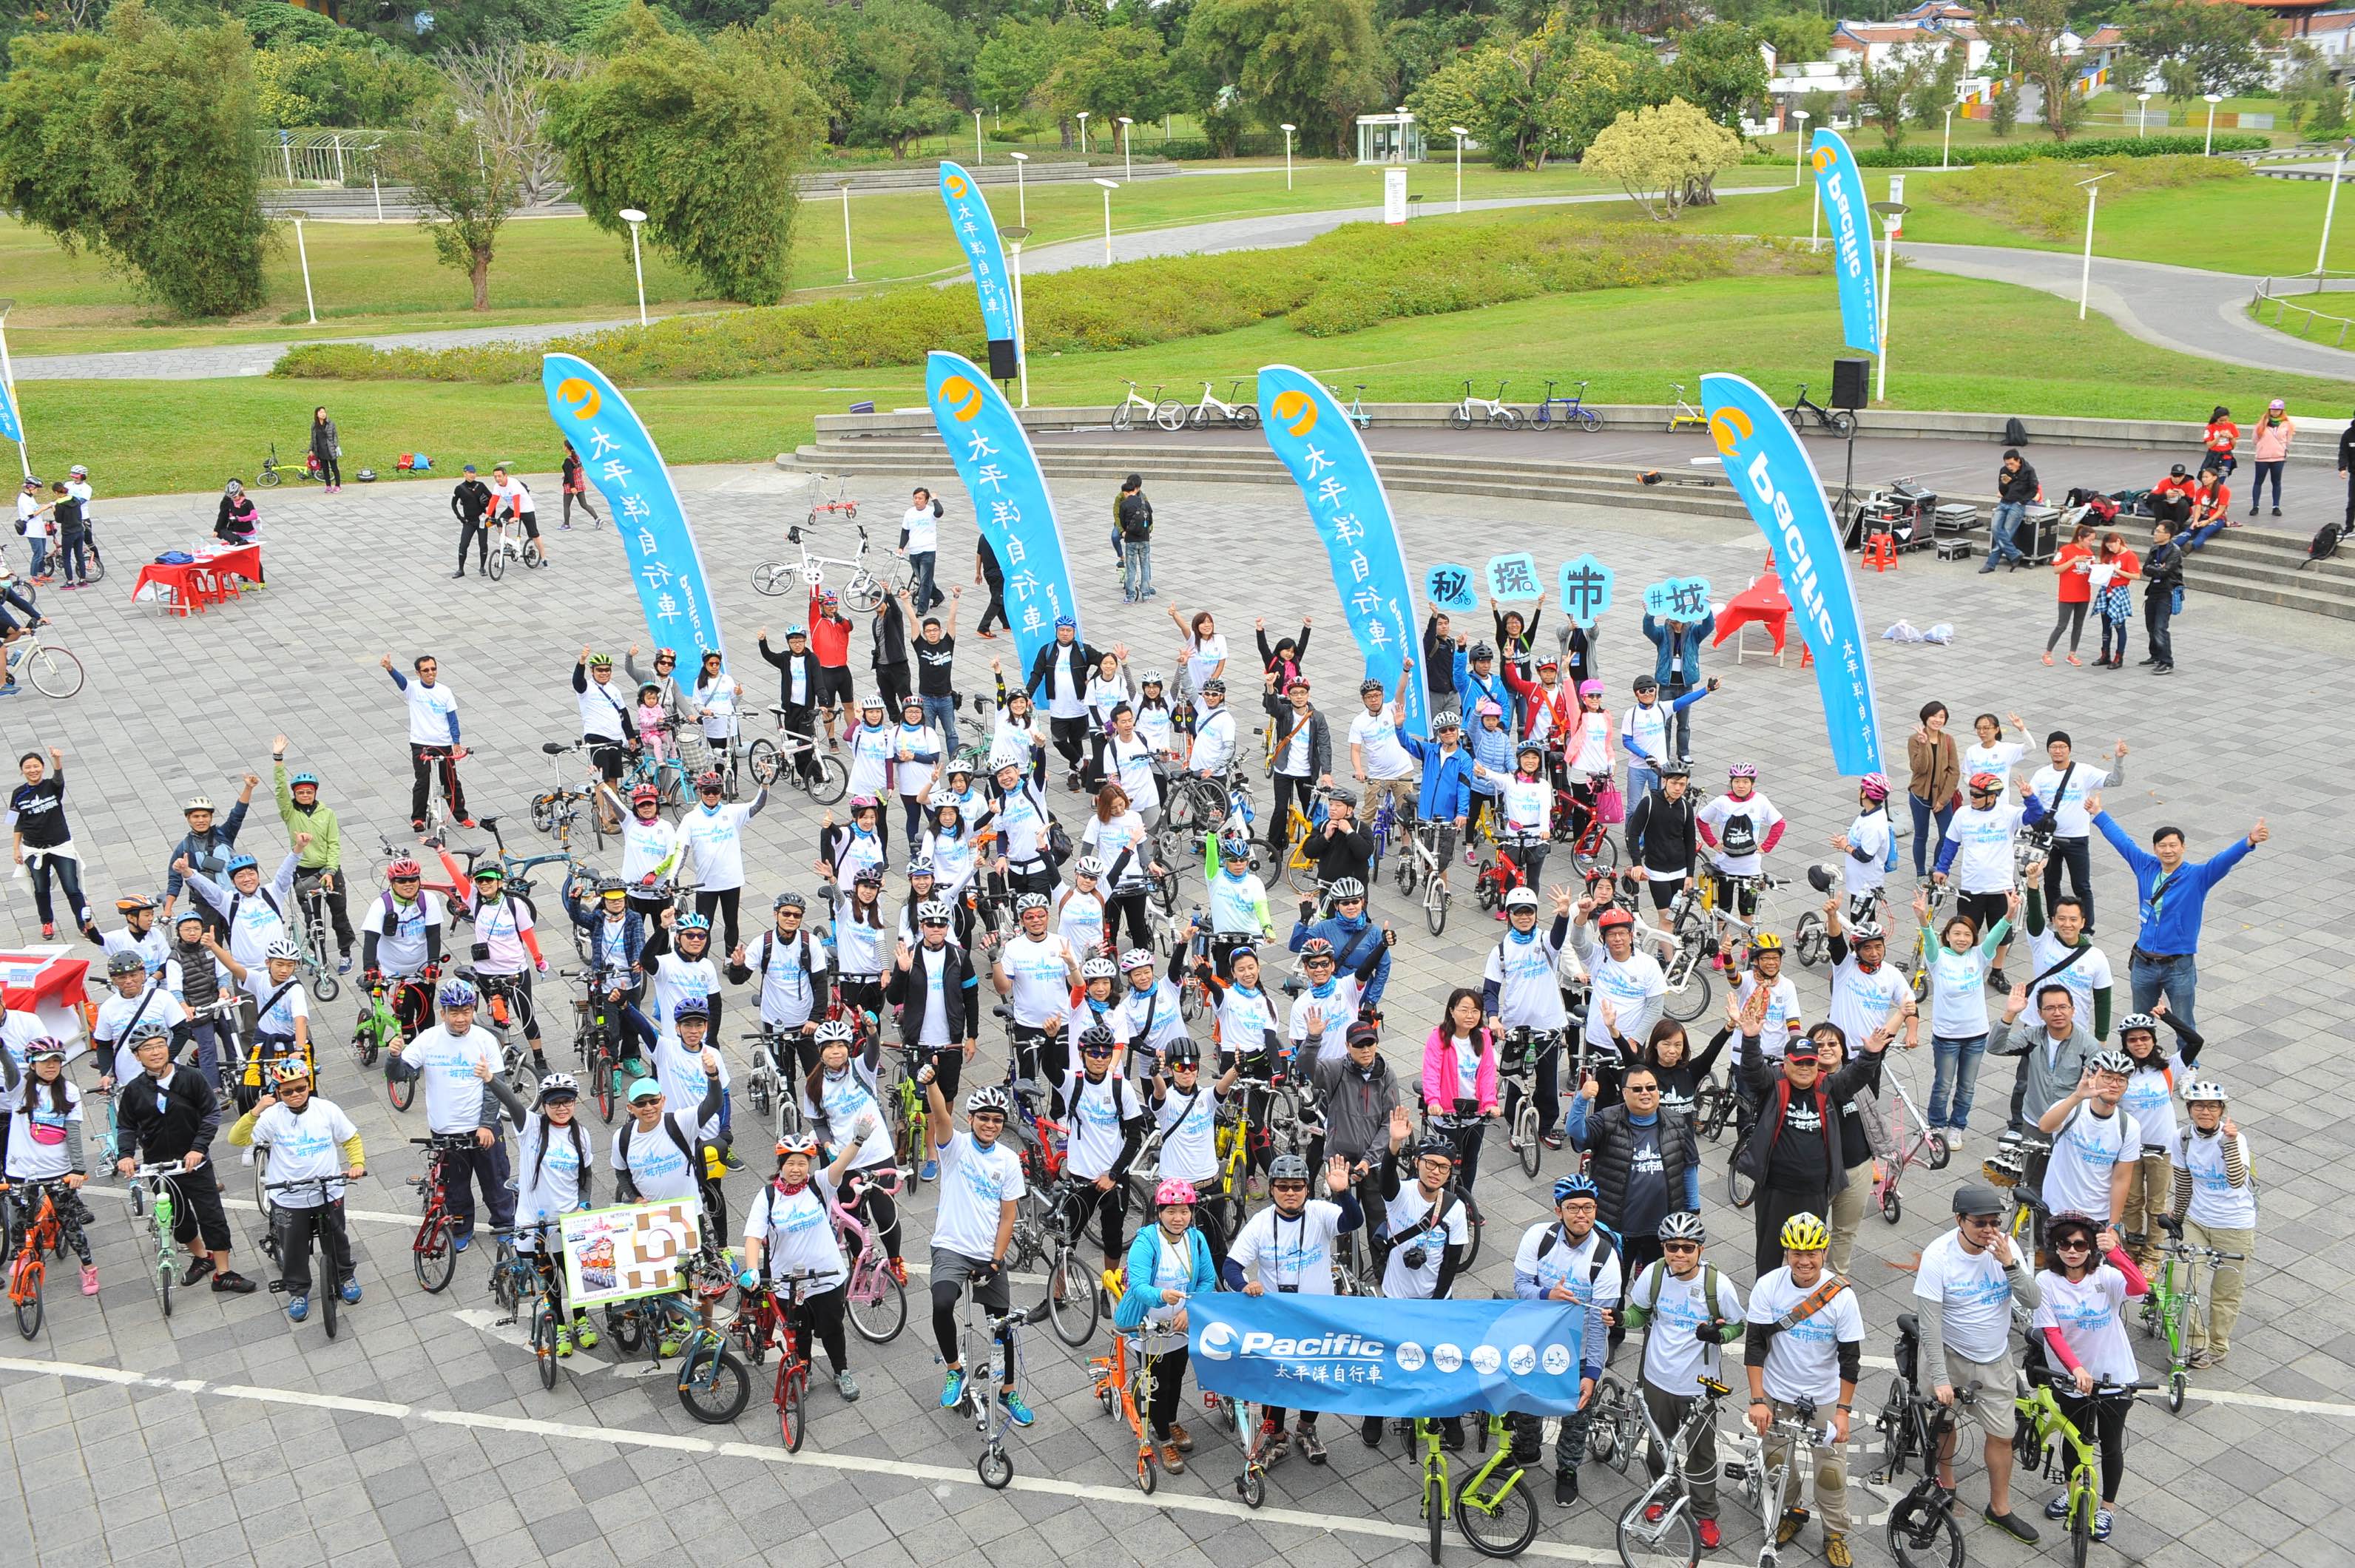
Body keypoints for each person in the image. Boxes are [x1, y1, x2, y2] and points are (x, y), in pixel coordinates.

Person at [1916, 1185, 2045, 1545]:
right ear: (1960, 1221)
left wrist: (2010, 1264)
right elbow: (1929, 1323)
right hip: (1950, 1355)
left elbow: (2033, 1300)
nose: (1989, 1230)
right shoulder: (1938, 1255)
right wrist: (1940, 1379)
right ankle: (1947, 1484)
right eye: (1980, 1223)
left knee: (2003, 1437)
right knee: (1944, 1425)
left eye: (1995, 1222)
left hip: (1995, 1359)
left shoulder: (2006, 1249)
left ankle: (2000, 1509)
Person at [1734, 987, 1891, 1273]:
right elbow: (1752, 1071)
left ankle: (1806, 1303)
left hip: (1815, 1190)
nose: (1806, 1068)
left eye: (1811, 1062)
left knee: (1808, 1255)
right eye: (1799, 1063)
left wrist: (1870, 1054)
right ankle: (1765, 1308)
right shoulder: (1774, 1083)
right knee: (1770, 1253)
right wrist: (1751, 1038)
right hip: (1775, 1188)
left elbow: (1856, 1076)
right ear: (1786, 1064)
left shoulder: (1828, 1086)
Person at [1221, 1151, 1362, 1466]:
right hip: (1276, 1318)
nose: (1290, 1193)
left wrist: (1342, 1192)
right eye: (1283, 1187)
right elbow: (1231, 1266)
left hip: (1316, 1316)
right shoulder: (1260, 1223)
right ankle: (1276, 1435)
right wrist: (1245, 1285)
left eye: (1297, 1187)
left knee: (1313, 1377)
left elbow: (1353, 1221)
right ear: (1271, 1189)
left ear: (1307, 1190)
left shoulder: (1320, 1213)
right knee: (1276, 1380)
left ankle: (1306, 1429)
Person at [1743, 1213, 1864, 1568]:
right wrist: (1757, 1399)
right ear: (1786, 1252)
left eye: (1812, 1252)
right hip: (1777, 1395)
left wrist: (1842, 1412)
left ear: (1825, 1251)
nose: (1804, 1261)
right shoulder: (1768, 1286)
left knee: (1831, 1471)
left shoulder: (1841, 1296)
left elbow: (1850, 1359)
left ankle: (1835, 1534)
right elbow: (1755, 1345)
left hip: (1823, 1398)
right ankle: (1791, 1513)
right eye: (1797, 1253)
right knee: (1778, 1464)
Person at [2090, 792, 2263, 1038]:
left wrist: (2248, 842)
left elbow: (2223, 861)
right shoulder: (2146, 866)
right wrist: (2099, 814)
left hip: (2178, 965)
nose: (2168, 850)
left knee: (2184, 1022)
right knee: (2139, 1022)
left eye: (2173, 845)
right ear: (2155, 848)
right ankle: (2141, 1066)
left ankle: (2189, 1068)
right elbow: (2123, 843)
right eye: (2163, 845)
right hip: (2144, 962)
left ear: (2183, 847)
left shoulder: (2197, 876)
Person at [1621, 1212, 1744, 1550]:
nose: (1679, 1254)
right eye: (1672, 1247)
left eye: (1687, 1247)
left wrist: (1718, 1335)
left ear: (1700, 1250)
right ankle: (1661, 1496)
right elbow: (1640, 1314)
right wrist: (1620, 1318)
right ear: (1663, 1247)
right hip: (1658, 1378)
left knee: (1701, 1453)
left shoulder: (1717, 1285)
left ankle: (1705, 1515)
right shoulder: (1654, 1274)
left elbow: (1738, 1325)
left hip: (1700, 1385)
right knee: (1659, 1446)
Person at [916, 1072, 1032, 1427]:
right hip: (951, 1247)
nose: (990, 1125)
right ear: (972, 1119)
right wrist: (933, 1082)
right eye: (984, 1118)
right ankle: (954, 1370)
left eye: (997, 1120)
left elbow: (1008, 1218)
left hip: (987, 1252)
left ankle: (1008, 1390)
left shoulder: (1009, 1162)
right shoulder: (956, 1146)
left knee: (1002, 1327)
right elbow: (939, 1116)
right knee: (941, 1304)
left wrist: (996, 1263)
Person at [2029, 1211, 2147, 1543]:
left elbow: (2139, 1287)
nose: (2072, 1250)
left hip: (2114, 1378)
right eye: (2064, 1244)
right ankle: (2072, 1491)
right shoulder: (2046, 1283)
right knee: (2074, 1439)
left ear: (2091, 1248)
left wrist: (2117, 1252)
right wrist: (2076, 1370)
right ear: (2055, 1247)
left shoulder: (2106, 1277)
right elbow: (2051, 1332)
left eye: (2080, 1244)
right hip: (2071, 1380)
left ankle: (2106, 1507)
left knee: (2109, 1445)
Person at [112, 1025, 258, 1294]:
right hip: (160, 1167)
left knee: (211, 1216)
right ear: (136, 1056)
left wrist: (198, 1148)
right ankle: (202, 1257)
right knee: (178, 1218)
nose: (155, 1052)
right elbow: (127, 1126)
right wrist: (126, 1155)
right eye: (147, 1048)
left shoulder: (191, 1078)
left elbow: (211, 1115)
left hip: (194, 1163)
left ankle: (223, 1272)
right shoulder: (134, 1090)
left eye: (159, 1045)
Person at [1566, 1059, 1700, 1351]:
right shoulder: (1608, 1119)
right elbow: (1576, 1133)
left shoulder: (1677, 1122)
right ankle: (1611, 1339)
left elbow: (1689, 1168)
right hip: (1616, 1228)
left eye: (1651, 1088)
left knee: (1661, 1285)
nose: (1645, 1093)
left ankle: (1658, 1333)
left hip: (1662, 1229)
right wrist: (1581, 1099)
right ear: (1624, 1093)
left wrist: (1693, 1211)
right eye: (1637, 1089)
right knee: (1613, 1287)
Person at [1508, 1173, 1623, 1504]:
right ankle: (1528, 1449)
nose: (1582, 1215)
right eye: (1573, 1208)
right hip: (1537, 1340)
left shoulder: (1606, 1258)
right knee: (1527, 1402)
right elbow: (1521, 1287)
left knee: (1577, 1414)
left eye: (1589, 1207)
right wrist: (1547, 1295)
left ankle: (1568, 1470)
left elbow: (1602, 1324)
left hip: (1580, 1347)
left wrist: (1592, 1374)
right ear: (1558, 1210)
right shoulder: (1538, 1237)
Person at [739, 1126, 875, 1404]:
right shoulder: (767, 1197)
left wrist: (858, 1140)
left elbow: (840, 1165)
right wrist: (752, 1269)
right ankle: (805, 1371)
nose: (797, 1169)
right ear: (781, 1166)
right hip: (789, 1283)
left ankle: (841, 1371)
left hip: (827, 1276)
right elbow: (753, 1237)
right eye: (791, 1163)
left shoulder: (819, 1184)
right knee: (798, 1332)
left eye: (802, 1163)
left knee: (832, 1328)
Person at [1364, 1115, 1473, 1451]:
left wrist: (1434, 1307)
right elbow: (1385, 1185)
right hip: (1396, 1298)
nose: (1436, 1171)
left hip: (1436, 1299)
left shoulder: (1455, 1208)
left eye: (1444, 1167)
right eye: (1430, 1164)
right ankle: (1375, 1415)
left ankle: (1450, 1416)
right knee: (1386, 1359)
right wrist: (1393, 1145)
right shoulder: (1403, 1194)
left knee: (1444, 1361)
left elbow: (1451, 1264)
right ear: (1417, 1164)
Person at [226, 1058, 364, 1321]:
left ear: (309, 1085)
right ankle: (298, 1290)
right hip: (289, 1197)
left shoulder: (327, 1110)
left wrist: (357, 1164)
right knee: (293, 1248)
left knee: (337, 1240)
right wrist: (255, 1111)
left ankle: (345, 1277)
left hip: (328, 1191)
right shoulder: (271, 1116)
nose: (295, 1095)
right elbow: (237, 1139)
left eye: (300, 1089)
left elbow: (350, 1138)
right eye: (287, 1091)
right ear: (277, 1092)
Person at [385, 978, 512, 1248]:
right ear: (442, 1013)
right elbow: (400, 1075)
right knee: (454, 1187)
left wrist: (487, 1124)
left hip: (482, 1128)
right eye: (454, 1012)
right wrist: (394, 1057)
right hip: (445, 1130)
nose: (460, 1018)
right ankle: (462, 1228)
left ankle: (504, 1223)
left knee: (495, 1180)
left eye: (466, 1011)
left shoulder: (485, 1040)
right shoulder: (428, 1040)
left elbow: (496, 1087)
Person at [1111, 1178, 1219, 1473]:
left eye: (1184, 1211)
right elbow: (1139, 1287)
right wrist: (1162, 1296)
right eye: (1171, 1211)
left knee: (1176, 1376)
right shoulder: (1146, 1242)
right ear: (1159, 1212)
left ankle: (1170, 1422)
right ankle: (1162, 1438)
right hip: (1148, 1326)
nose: (1178, 1218)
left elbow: (1208, 1280)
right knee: (1157, 1382)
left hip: (1181, 1325)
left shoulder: (1196, 1240)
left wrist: (1190, 1308)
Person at [487, 1070, 597, 1352]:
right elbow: (511, 1103)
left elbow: (586, 1175)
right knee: (549, 1281)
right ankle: (559, 1326)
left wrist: (583, 1204)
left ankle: (581, 1321)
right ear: (544, 1105)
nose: (562, 1108)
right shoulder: (532, 1126)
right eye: (555, 1103)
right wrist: (490, 1079)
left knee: (575, 1279)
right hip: (534, 1222)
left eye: (567, 1102)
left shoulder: (581, 1134)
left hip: (567, 1221)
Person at [1917, 885, 2012, 1150]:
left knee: (1967, 1086)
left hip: (1976, 1035)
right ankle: (1936, 1126)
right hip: (1947, 1036)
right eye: (1956, 933)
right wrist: (1923, 918)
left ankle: (1957, 1127)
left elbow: (1997, 935)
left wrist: (2010, 914)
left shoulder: (1978, 957)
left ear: (1974, 938)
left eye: (1967, 934)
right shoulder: (1938, 959)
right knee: (1943, 1084)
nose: (1962, 938)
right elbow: (1928, 938)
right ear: (1947, 936)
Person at [0, 1040, 98, 1296]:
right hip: (21, 1170)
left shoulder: (70, 1090)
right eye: (44, 1061)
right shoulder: (19, 1088)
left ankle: (88, 1268)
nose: (51, 1066)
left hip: (58, 1170)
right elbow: (9, 1068)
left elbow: (74, 1133)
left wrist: (77, 1170)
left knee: (70, 1222)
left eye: (56, 1060)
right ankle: (21, 1256)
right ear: (32, 1064)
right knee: (19, 1221)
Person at [1930, 771, 2043, 990]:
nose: (1972, 797)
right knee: (1966, 932)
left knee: (2001, 934)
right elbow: (1951, 843)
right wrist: (1942, 868)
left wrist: (2030, 797)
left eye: (1978, 794)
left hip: (2001, 888)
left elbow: (2036, 816)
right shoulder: (1963, 814)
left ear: (1992, 797)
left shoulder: (2007, 813)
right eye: (1971, 793)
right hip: (1971, 886)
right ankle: (1963, 970)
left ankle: (1997, 973)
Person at [2167, 1082, 2253, 1367]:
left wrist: (2228, 1143)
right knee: (2180, 1284)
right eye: (2199, 1106)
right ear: (2189, 1109)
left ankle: (2218, 1344)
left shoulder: (2235, 1139)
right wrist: (2176, 1220)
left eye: (2213, 1106)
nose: (2206, 1111)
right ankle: (2195, 1342)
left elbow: (2236, 1180)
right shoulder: (2182, 1139)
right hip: (2198, 1222)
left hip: (2235, 1226)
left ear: (2222, 1110)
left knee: (2225, 1292)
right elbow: (2183, 1185)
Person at [1480, 885, 1571, 1147]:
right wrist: (1494, 1017)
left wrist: (1563, 915)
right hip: (1515, 1027)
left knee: (1547, 1078)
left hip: (1548, 1025)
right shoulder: (1500, 951)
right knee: (1514, 1078)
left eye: (1529, 912)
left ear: (1535, 914)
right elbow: (1490, 991)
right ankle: (1515, 1125)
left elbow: (1558, 937)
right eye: (1518, 912)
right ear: (1509, 915)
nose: (1524, 917)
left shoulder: (1544, 941)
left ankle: (1546, 1126)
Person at [2114, 1010, 2202, 1268]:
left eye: (2144, 1038)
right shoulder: (2122, 1072)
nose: (2139, 1044)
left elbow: (2196, 1041)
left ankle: (2152, 1254)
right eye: (2133, 1040)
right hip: (2129, 1149)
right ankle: (2132, 1248)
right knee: (2130, 1202)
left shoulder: (2169, 1068)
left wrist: (2168, 1017)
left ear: (2153, 1040)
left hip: (2162, 1149)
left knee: (2156, 1205)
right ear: (2125, 1044)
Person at [2027, 731, 2125, 935]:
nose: (2058, 750)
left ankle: (2087, 929)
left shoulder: (2083, 771)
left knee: (2081, 885)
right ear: (2048, 750)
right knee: (2051, 883)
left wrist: (2119, 759)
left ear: (2069, 749)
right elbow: (2031, 805)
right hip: (2049, 840)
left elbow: (2115, 781)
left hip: (2077, 839)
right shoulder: (2041, 775)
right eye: (2054, 747)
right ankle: (2055, 921)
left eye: (2062, 746)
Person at [270, 737, 354, 971]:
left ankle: (345, 953)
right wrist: (278, 759)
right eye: (300, 792)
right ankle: (320, 957)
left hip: (329, 871)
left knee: (339, 914)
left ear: (315, 792)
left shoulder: (327, 814)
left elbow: (334, 844)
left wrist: (330, 871)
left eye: (309, 791)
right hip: (304, 874)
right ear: (295, 794)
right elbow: (279, 790)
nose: (305, 795)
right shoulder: (290, 812)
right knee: (313, 920)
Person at [9, 747, 98, 941]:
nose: (33, 770)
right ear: (22, 770)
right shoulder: (18, 793)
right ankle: (47, 922)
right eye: (28, 767)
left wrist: (57, 760)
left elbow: (58, 777)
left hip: (60, 846)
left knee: (72, 887)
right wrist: (16, 848)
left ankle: (84, 925)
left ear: (42, 767)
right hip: (34, 849)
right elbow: (15, 822)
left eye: (36, 766)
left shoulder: (53, 786)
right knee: (41, 888)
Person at [1990, 982, 2098, 1135]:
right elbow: (1995, 1047)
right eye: (2050, 1008)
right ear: (2040, 1013)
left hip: (2071, 1124)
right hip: (2034, 1121)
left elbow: (2094, 1089)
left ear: (2073, 1010)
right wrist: (2010, 1013)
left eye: (2063, 1007)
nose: (2057, 1012)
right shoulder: (2032, 1036)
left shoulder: (2089, 1046)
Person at [1419, 989, 1500, 1186]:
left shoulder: (1484, 1037)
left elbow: (1489, 1074)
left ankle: (1466, 1205)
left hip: (1475, 1112)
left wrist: (1490, 1103)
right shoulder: (1439, 1037)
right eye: (1464, 1010)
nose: (1470, 1016)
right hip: (1447, 1111)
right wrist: (1434, 1102)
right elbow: (1431, 1073)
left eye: (1475, 1011)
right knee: (1446, 1163)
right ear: (1452, 1011)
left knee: (1470, 1162)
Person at [382, 652, 467, 831]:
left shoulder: (445, 691)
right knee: (422, 781)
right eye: (426, 670)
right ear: (418, 673)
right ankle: (418, 818)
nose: (430, 673)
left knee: (451, 780)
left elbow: (452, 718)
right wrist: (390, 668)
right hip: (420, 743)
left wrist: (456, 741)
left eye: (433, 669)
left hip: (443, 743)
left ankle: (461, 815)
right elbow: (401, 681)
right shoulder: (412, 689)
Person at [1696, 763, 1784, 919]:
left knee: (1747, 911)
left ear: (1752, 784)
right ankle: (1722, 943)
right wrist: (1713, 843)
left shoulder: (1760, 801)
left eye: (1745, 782)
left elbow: (1779, 823)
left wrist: (1766, 846)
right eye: (1737, 781)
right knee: (1723, 911)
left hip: (1751, 868)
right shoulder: (1722, 802)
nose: (1741, 786)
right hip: (1725, 867)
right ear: (1731, 783)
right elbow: (1701, 820)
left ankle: (1746, 943)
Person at [1261, 674, 1333, 859]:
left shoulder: (1317, 718)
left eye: (1302, 693)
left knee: (1311, 809)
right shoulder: (1284, 712)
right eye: (1294, 693)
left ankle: (1316, 845)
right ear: (1290, 696)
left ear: (1308, 695)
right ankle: (1275, 846)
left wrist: (1326, 773)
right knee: (1279, 809)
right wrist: (1270, 687)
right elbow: (1271, 707)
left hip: (1306, 772)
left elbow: (1324, 745)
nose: (1299, 696)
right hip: (1284, 770)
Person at [1025, 617, 1101, 788]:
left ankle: (1073, 776)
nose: (1065, 634)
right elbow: (1036, 674)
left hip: (1079, 706)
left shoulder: (1083, 650)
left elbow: (1104, 662)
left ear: (1074, 632)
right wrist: (1027, 695)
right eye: (1062, 630)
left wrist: (1093, 681)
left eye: (1068, 630)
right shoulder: (1047, 650)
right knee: (1059, 741)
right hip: (1058, 707)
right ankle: (1083, 766)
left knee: (1076, 742)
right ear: (1056, 631)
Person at [1639, 611, 1715, 763]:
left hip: (1685, 684)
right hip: (1667, 685)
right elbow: (1648, 629)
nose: (1675, 622)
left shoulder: (1693, 631)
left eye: (1679, 619)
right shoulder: (1663, 632)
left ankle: (1684, 752)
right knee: (1664, 723)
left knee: (1684, 722)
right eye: (1673, 619)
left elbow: (1709, 626)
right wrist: (1650, 613)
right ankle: (1664, 754)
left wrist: (1706, 610)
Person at [1624, 760, 1699, 913]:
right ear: (1664, 781)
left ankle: (1672, 937)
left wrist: (1689, 875)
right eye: (1674, 783)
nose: (1678, 788)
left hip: (1680, 870)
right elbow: (1633, 834)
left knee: (1675, 915)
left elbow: (1690, 842)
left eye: (1682, 784)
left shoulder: (1686, 807)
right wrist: (1637, 863)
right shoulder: (1649, 803)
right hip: (1657, 870)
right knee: (1665, 915)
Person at [1349, 673, 1420, 834]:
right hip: (1377, 775)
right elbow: (1355, 749)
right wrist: (1359, 770)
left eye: (1377, 695)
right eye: (1369, 697)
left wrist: (1405, 669)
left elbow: (1401, 690)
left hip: (1402, 771)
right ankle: (1358, 847)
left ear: (1382, 695)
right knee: (1367, 814)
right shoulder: (1359, 722)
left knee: (1406, 814)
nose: (1374, 700)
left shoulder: (1392, 709)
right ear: (1363, 700)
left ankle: (1405, 848)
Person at [2046, 523, 2096, 666]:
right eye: (2089, 540)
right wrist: (2074, 560)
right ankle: (2048, 653)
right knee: (2062, 625)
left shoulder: (2090, 554)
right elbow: (2057, 570)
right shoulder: (2066, 550)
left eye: (2093, 540)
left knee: (2078, 625)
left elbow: (2091, 572)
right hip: (2068, 593)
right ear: (2081, 538)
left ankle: (2072, 654)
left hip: (2084, 594)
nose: (2091, 543)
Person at [1981, 448, 2038, 572]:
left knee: (2006, 533)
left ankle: (1991, 564)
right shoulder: (2004, 471)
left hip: (2017, 505)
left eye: (2011, 464)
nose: (2009, 467)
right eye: (2007, 464)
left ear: (2018, 461)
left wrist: (2022, 501)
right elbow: (2002, 491)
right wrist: (2004, 484)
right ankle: (2014, 553)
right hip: (2004, 503)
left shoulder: (2029, 471)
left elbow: (2034, 489)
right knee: (1995, 529)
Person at [2141, 518, 2183, 676]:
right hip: (2153, 590)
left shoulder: (2175, 551)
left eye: (2159, 531)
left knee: (2160, 627)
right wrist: (2157, 567)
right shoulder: (2154, 549)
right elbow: (2146, 569)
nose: (2155, 533)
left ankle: (2167, 662)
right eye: (2156, 530)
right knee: (2150, 625)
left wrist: (2157, 569)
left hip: (2167, 591)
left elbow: (2166, 572)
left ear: (2168, 535)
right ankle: (2155, 655)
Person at [2092, 533, 2140, 669]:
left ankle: (2119, 657)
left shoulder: (2130, 556)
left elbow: (2136, 575)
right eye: (2108, 547)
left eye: (2111, 546)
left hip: (2119, 591)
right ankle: (2105, 654)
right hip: (2106, 590)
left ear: (2118, 542)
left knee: (2119, 626)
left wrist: (2117, 571)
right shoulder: (2109, 555)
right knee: (2105, 625)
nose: (2110, 549)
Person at [899, 486, 945, 613]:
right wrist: (901, 547)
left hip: (928, 551)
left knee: (925, 581)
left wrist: (935, 500)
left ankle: (922, 609)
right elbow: (905, 531)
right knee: (925, 579)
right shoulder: (909, 513)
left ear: (926, 500)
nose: (917, 501)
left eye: (920, 498)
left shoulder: (931, 511)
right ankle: (938, 596)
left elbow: (940, 512)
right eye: (915, 498)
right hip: (914, 552)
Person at [2247, 397, 2293, 516]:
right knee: (2258, 481)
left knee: (2276, 482)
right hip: (2262, 457)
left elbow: (2288, 440)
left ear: (2282, 411)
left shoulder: (2287, 424)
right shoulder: (2262, 423)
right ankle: (2255, 506)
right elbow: (2255, 439)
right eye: (2272, 410)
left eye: (2277, 410)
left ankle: (2276, 506)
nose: (2275, 412)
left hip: (2278, 457)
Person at [1115, 473, 1154, 603]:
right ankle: (1146, 595)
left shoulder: (1124, 504)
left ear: (1126, 493)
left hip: (1131, 540)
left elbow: (1122, 522)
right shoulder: (1145, 503)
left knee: (1131, 567)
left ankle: (1131, 596)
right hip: (1145, 539)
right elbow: (1150, 521)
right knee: (1145, 566)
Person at [450, 464, 493, 576]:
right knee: (463, 544)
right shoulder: (460, 488)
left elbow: (493, 499)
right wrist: (460, 518)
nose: (472, 475)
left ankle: (482, 568)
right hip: (469, 522)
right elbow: (453, 504)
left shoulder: (481, 486)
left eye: (474, 473)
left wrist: (490, 513)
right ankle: (460, 569)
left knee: (483, 544)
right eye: (469, 473)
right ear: (464, 474)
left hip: (481, 520)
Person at [559, 439, 601, 528]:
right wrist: (566, 475)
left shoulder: (568, 461)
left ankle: (566, 525)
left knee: (566, 505)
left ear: (567, 448)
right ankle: (597, 519)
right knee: (584, 504)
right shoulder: (577, 458)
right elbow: (573, 471)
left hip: (571, 485)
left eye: (564, 446)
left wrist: (572, 487)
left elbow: (570, 475)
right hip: (580, 484)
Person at [973, 537, 1007, 639]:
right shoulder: (999, 538)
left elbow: (979, 555)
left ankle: (1006, 624)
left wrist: (978, 572)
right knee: (997, 600)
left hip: (988, 573)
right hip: (998, 573)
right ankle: (983, 627)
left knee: (999, 597)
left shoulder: (983, 536)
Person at [309, 405, 342, 493]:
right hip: (320, 450)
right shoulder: (314, 425)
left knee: (334, 468)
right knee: (325, 469)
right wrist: (311, 450)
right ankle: (328, 486)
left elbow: (335, 436)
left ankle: (338, 485)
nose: (323, 414)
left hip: (330, 449)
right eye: (321, 412)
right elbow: (313, 439)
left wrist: (335, 445)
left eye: (324, 412)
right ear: (317, 414)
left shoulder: (331, 423)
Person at [215, 481, 259, 546]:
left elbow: (254, 516)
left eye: (235, 497)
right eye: (231, 498)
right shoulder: (231, 504)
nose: (233, 499)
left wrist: (239, 519)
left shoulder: (247, 503)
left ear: (240, 493)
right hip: (237, 535)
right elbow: (227, 515)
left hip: (249, 535)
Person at [2202, 405, 2239, 477]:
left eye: (2226, 420)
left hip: (2226, 456)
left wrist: (2231, 437)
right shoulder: (2210, 427)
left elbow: (2233, 446)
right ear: (2216, 418)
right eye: (2221, 420)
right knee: (2211, 478)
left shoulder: (2231, 426)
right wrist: (2219, 437)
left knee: (2222, 477)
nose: (2223, 422)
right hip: (2213, 457)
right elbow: (2209, 445)